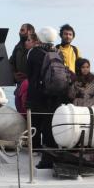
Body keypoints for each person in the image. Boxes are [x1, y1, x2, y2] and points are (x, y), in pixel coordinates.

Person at [26, 26, 67, 168]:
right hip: (54, 96)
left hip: (37, 95)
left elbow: (29, 74)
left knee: (35, 124)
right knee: (50, 126)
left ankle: (35, 152)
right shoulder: (57, 52)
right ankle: (51, 153)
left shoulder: (34, 52)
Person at [15, 33, 40, 116]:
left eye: (29, 40)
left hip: (29, 84)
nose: (26, 42)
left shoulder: (32, 53)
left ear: (36, 42)